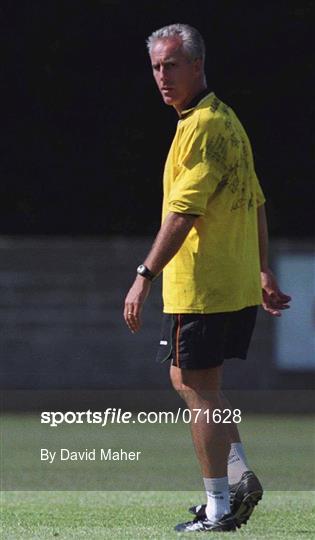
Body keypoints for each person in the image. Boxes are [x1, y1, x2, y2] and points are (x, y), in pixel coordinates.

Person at [123, 23, 291, 533]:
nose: (162, 76)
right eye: (155, 67)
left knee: (199, 389)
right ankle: (238, 476)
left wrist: (143, 274)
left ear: (197, 65)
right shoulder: (224, 121)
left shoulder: (204, 128)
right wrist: (262, 268)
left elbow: (183, 214)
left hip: (204, 287)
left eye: (171, 64)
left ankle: (219, 507)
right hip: (228, 284)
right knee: (190, 381)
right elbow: (255, 202)